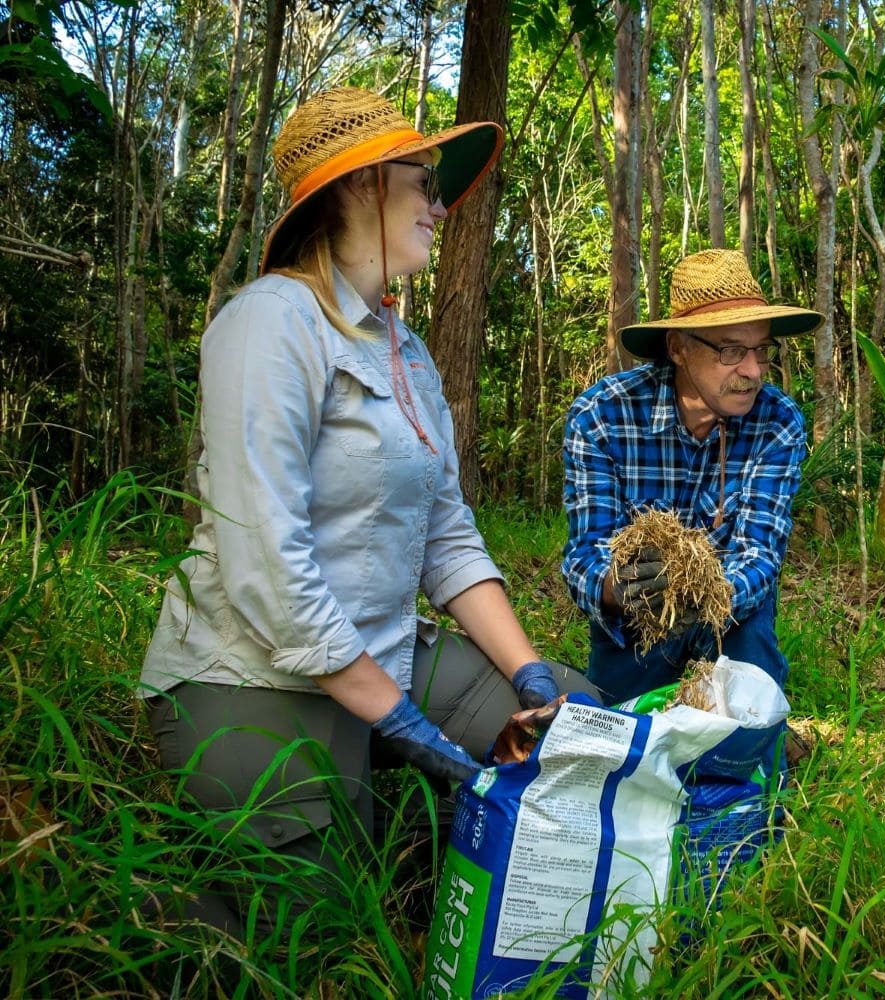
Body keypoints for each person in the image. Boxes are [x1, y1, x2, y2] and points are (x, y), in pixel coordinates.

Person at [140, 87, 595, 928]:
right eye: (422, 181)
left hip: (387, 647)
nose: (438, 205)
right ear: (358, 187)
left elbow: (448, 538)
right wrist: (404, 724)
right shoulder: (269, 324)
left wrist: (530, 674)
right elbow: (268, 568)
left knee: (579, 732)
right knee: (322, 924)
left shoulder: (406, 352)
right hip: (257, 666)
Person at [560, 249, 822, 704]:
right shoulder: (602, 416)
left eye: (761, 350)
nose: (753, 371)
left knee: (740, 747)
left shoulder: (777, 421)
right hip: (636, 624)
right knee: (625, 742)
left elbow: (760, 553)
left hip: (731, 615)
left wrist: (706, 595)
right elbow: (586, 550)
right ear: (679, 348)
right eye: (731, 350)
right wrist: (619, 589)